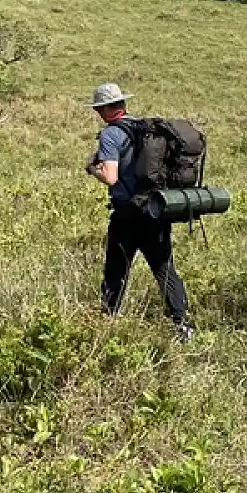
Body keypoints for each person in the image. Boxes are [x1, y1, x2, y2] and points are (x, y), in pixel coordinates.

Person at [85, 83, 195, 341]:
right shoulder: (145, 129)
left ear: (104, 110)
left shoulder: (111, 134)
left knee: (116, 270)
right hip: (156, 209)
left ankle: (107, 322)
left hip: (127, 214)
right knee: (164, 269)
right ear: (123, 104)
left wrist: (93, 169)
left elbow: (110, 177)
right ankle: (182, 325)